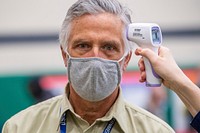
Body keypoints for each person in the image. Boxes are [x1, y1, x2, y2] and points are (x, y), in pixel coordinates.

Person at [2, 0, 200, 132]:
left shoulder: (156, 130)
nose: (95, 57)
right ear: (65, 55)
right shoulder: (20, 127)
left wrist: (180, 83)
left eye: (109, 47)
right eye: (83, 45)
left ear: (125, 60)